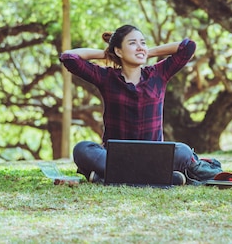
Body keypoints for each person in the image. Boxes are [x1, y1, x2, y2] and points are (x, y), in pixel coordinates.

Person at [59, 24, 221, 185]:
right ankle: (155, 177)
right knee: (82, 149)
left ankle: (108, 177)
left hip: (154, 155)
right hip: (116, 156)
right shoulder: (106, 77)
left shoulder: (158, 74)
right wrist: (107, 54)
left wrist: (147, 52)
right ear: (118, 51)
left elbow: (188, 47)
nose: (140, 47)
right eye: (132, 43)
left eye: (142, 42)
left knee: (183, 152)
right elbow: (69, 57)